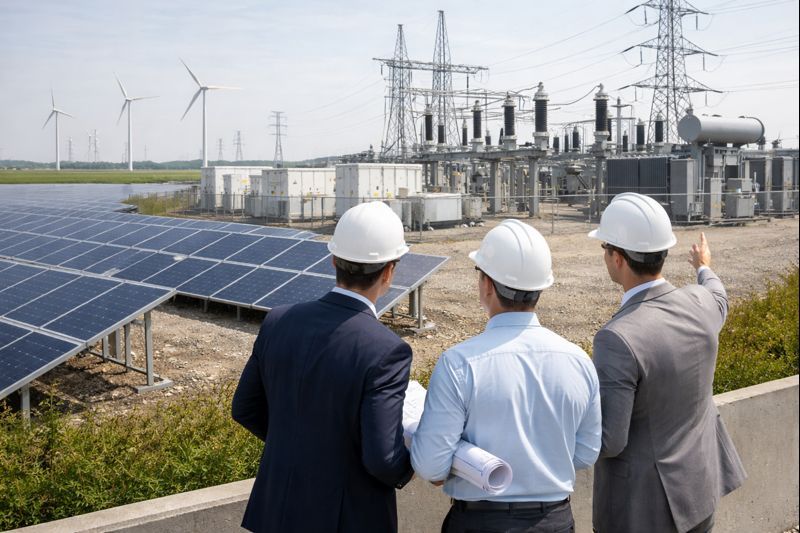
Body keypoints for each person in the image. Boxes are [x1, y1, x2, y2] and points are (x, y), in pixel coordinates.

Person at [232, 201, 414, 533]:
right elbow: (382, 460)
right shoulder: (387, 350)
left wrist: (300, 445)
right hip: (345, 519)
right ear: (389, 271)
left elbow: (245, 408)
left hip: (275, 511)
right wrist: (414, 464)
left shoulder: (278, 320)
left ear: (333, 260)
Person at [411, 219, 602, 533]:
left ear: (487, 284)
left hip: (480, 522)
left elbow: (431, 465)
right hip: (554, 521)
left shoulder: (459, 363)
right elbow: (585, 453)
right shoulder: (579, 360)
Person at [588, 193, 746, 533]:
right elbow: (720, 295)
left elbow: (609, 440)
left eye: (605, 248)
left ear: (617, 258)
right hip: (700, 492)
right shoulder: (701, 303)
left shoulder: (617, 338)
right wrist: (703, 266)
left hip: (644, 512)